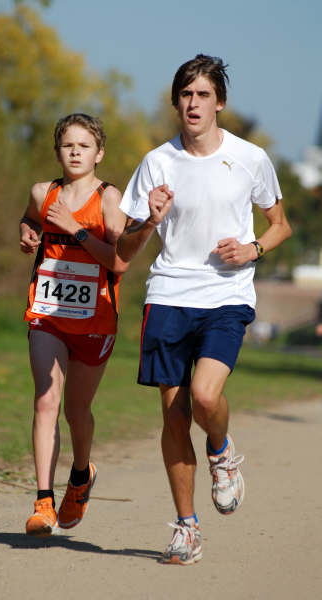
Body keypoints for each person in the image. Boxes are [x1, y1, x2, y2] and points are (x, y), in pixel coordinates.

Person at [117, 54, 292, 565]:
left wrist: (252, 249)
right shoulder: (157, 161)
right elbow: (124, 246)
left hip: (226, 295)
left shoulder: (250, 157)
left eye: (203, 94)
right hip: (169, 293)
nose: (193, 104)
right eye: (185, 95)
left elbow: (279, 224)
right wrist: (147, 221)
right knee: (174, 418)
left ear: (220, 103)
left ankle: (221, 449)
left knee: (204, 395)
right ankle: (186, 529)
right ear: (176, 102)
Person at [20, 113, 127, 536]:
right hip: (47, 313)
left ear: (99, 153)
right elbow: (31, 219)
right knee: (46, 401)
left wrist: (76, 230)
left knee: (76, 410)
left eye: (85, 146)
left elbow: (120, 261)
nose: (76, 152)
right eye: (68, 145)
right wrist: (28, 231)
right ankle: (43, 503)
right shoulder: (43, 192)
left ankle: (80, 476)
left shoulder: (109, 199)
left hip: (95, 318)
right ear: (58, 151)